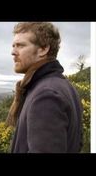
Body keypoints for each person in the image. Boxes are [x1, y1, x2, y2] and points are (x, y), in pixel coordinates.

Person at [6, 22, 83, 153]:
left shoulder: (46, 96)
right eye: (13, 46)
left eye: (20, 45)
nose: (13, 52)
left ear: (43, 49)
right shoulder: (61, 85)